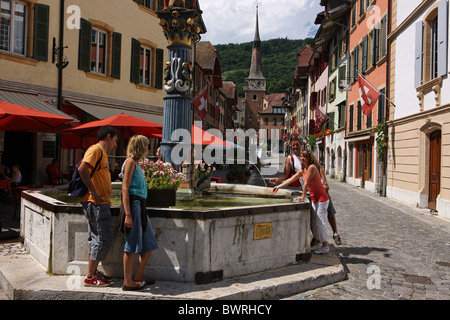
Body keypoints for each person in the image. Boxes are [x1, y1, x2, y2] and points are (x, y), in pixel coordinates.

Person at [269, 137, 342, 245]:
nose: (295, 147)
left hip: (319, 188)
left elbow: (320, 168)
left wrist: (325, 182)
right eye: (293, 145)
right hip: (308, 191)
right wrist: (277, 180)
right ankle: (317, 239)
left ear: (301, 144)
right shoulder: (290, 158)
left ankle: (335, 233)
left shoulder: (309, 155)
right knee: (312, 216)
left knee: (329, 212)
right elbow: (286, 175)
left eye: (297, 144)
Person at [78, 125, 119, 287]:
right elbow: (82, 169)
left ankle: (93, 273)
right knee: (104, 240)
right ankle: (89, 276)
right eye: (115, 140)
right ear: (108, 137)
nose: (116, 145)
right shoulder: (96, 150)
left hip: (98, 203)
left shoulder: (102, 154)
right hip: (96, 203)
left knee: (95, 239)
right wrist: (93, 192)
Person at [273, 150, 330, 254]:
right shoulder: (302, 169)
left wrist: (303, 196)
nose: (302, 158)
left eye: (304, 157)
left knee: (320, 222)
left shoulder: (312, 167)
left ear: (309, 158)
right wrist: (278, 186)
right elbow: (290, 179)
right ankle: (319, 243)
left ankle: (325, 246)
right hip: (314, 198)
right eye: (301, 156)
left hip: (322, 199)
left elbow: (306, 183)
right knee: (315, 222)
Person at [120, 135, 158, 291]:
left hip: (140, 206)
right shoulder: (129, 162)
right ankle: (127, 282)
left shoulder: (137, 164)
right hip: (134, 205)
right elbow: (124, 188)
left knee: (149, 244)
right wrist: (128, 214)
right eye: (147, 145)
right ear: (140, 147)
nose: (148, 148)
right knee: (131, 245)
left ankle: (138, 276)